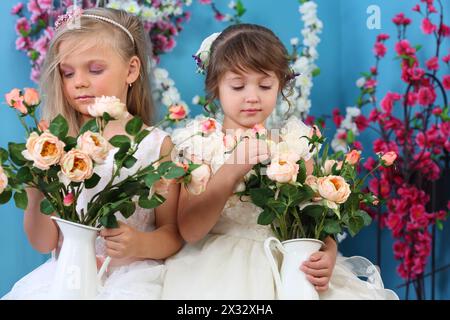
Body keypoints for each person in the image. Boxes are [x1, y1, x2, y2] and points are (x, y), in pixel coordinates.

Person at [162, 23, 398, 300]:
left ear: (281, 84)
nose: (252, 97)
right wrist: (230, 171)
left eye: (264, 85)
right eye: (237, 86)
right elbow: (190, 231)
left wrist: (328, 251)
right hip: (217, 268)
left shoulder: (293, 143)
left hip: (291, 266)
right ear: (215, 85)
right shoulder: (200, 144)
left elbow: (314, 218)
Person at [3, 7, 182, 300]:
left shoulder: (156, 145)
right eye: (67, 72)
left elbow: (173, 233)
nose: (79, 82)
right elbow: (42, 242)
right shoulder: (56, 144)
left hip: (130, 279)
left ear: (132, 70)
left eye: (95, 69)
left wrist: (140, 244)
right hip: (64, 277)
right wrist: (35, 188)